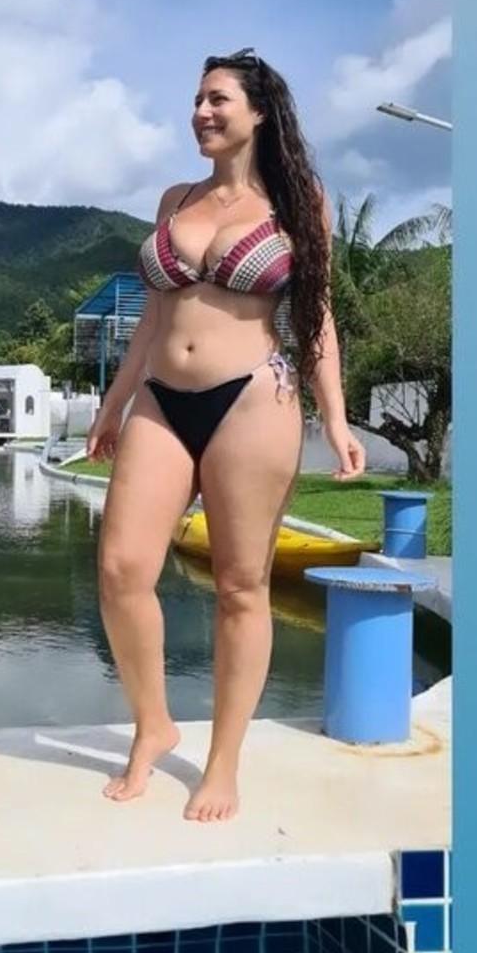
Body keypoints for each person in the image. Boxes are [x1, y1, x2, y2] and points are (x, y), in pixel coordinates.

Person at [86, 48, 366, 823]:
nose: (201, 112)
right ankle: (153, 724)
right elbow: (151, 320)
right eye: (197, 100)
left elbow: (317, 317)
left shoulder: (299, 202)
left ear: (258, 111)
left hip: (252, 400)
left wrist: (336, 418)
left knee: (242, 588)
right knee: (120, 569)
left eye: (217, 99)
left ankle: (222, 762)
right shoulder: (175, 199)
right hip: (160, 398)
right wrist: (112, 404)